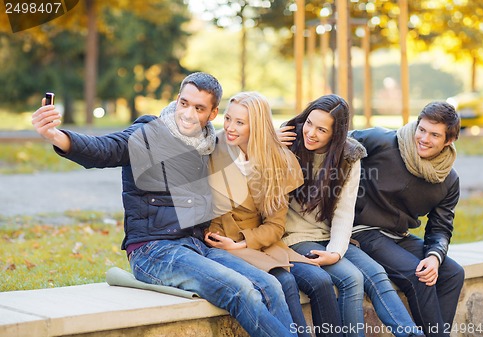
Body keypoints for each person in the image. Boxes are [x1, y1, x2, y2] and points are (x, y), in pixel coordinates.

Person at [31, 72, 298, 337]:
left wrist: (269, 134)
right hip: (153, 249)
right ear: (177, 99)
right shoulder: (148, 134)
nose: (188, 114)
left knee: (270, 285)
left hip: (195, 245)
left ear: (212, 114)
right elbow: (104, 149)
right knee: (240, 289)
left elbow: (243, 132)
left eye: (199, 108)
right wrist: (56, 136)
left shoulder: (206, 144)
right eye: (184, 103)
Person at [277, 94, 424, 337]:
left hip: (328, 235)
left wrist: (335, 251)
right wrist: (271, 145)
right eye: (309, 123)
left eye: (321, 129)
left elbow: (344, 212)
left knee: (376, 273)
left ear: (336, 135)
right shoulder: (288, 141)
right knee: (351, 278)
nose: (311, 133)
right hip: (294, 235)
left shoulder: (348, 157)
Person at [203, 92, 342, 337]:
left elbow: (276, 226)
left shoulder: (278, 161)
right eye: (227, 119)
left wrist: (244, 242)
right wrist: (228, 243)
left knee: (319, 280)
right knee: (284, 281)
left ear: (256, 126)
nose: (230, 128)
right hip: (220, 241)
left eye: (240, 122)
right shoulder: (213, 150)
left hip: (258, 241)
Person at [349, 101, 465, 337]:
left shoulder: (448, 180)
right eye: (421, 129)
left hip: (397, 235)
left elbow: (440, 228)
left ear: (449, 141)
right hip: (361, 230)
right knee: (418, 275)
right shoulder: (384, 141)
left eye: (434, 135)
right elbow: (334, 137)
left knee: (453, 273)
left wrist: (434, 256)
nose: (423, 138)